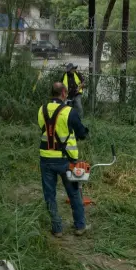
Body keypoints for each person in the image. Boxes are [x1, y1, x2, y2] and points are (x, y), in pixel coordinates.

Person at [38, 82, 89, 237]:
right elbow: (81, 134)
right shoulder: (69, 112)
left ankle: (57, 228)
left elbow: (45, 129)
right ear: (64, 93)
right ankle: (80, 226)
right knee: (73, 193)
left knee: (49, 195)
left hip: (46, 158)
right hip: (67, 160)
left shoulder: (41, 110)